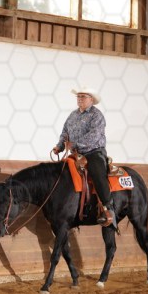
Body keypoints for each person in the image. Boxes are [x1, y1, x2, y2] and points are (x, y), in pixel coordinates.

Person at [52, 86, 115, 227]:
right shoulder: (72, 115)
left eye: (83, 97)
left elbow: (94, 136)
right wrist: (59, 146)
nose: (79, 99)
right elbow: (65, 132)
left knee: (97, 173)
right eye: (78, 96)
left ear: (91, 99)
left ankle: (108, 207)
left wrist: (74, 144)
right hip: (76, 153)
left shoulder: (96, 115)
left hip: (94, 151)